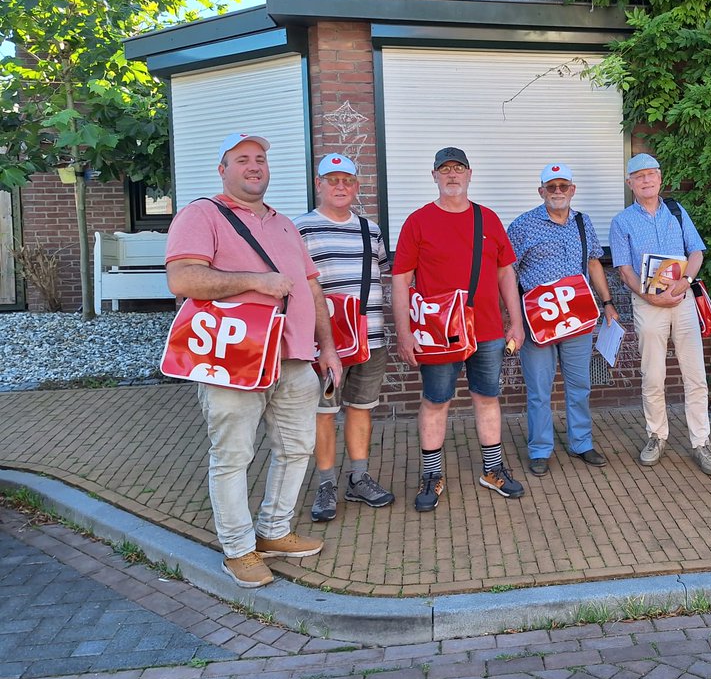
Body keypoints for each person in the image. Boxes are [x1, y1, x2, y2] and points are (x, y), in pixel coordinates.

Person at [165, 132, 342, 588]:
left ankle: (274, 531)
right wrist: (255, 281)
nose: (254, 166)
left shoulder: (284, 224)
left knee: (296, 448)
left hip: (295, 358)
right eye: (242, 159)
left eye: (260, 159)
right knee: (233, 456)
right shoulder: (202, 214)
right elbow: (182, 278)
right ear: (222, 169)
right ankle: (239, 549)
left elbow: (311, 287)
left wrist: (327, 347)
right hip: (235, 361)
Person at [392, 147, 526, 511]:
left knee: (487, 398)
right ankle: (431, 475)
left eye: (459, 169)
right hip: (439, 334)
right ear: (434, 176)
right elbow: (401, 280)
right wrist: (404, 332)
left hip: (487, 330)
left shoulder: (488, 219)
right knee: (436, 402)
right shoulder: (418, 221)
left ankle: (493, 470)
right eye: (445, 169)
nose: (452, 175)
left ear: (469, 174)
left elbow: (505, 273)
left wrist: (516, 321)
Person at [295, 153, 395, 523]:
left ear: (356, 185)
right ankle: (326, 484)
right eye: (332, 179)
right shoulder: (300, 229)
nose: (340, 186)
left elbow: (383, 272)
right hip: (326, 343)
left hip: (371, 338)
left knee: (361, 408)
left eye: (347, 180)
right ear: (318, 184)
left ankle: (358, 478)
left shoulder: (371, 230)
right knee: (324, 412)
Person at [609, 153, 711, 476]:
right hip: (647, 304)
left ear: (660, 179)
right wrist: (650, 297)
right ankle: (656, 436)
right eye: (639, 176)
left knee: (695, 374)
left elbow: (696, 251)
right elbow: (624, 270)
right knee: (653, 374)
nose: (646, 180)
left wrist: (686, 282)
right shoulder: (622, 222)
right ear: (630, 183)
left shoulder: (676, 210)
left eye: (651, 174)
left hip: (682, 300)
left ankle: (701, 441)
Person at [508, 163, 620, 476]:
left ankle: (581, 443)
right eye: (551, 187)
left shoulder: (583, 222)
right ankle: (540, 449)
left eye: (563, 186)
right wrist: (513, 318)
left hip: (578, 318)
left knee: (579, 385)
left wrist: (608, 303)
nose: (558, 191)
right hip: (538, 321)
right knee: (539, 389)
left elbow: (594, 263)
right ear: (541, 191)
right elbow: (507, 272)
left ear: (572, 190)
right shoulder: (523, 225)